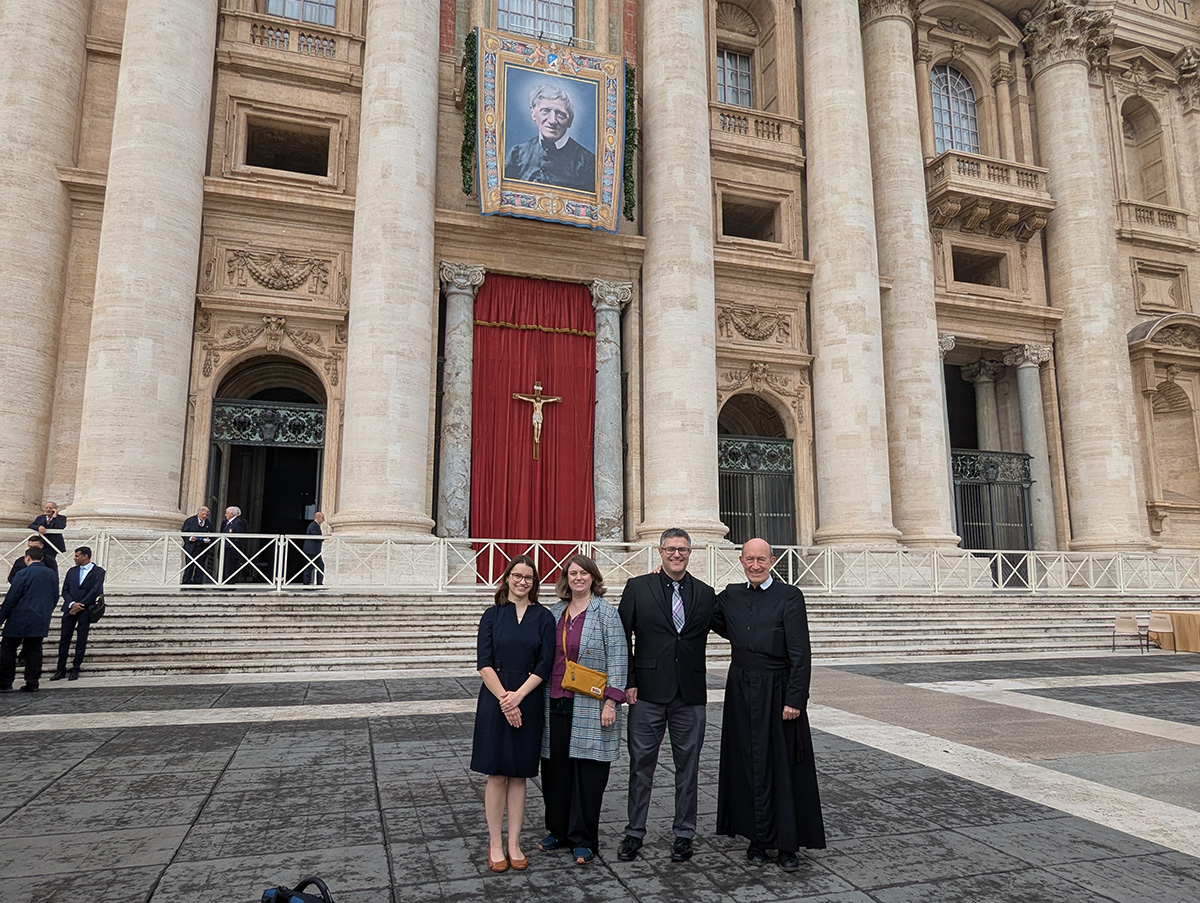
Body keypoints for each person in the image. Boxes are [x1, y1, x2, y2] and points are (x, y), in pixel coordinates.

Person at [713, 538, 826, 871]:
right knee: (747, 762)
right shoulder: (731, 596)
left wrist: (795, 698)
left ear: (772, 561)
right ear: (741, 560)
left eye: (761, 559)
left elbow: (801, 653)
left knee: (783, 765)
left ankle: (788, 844)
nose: (755, 565)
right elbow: (703, 614)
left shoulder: (790, 596)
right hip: (741, 689)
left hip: (779, 692)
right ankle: (757, 838)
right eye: (750, 559)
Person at [617, 528, 717, 863]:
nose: (677, 554)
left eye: (683, 550)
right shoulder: (637, 588)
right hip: (646, 693)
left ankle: (684, 835)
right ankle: (634, 833)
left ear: (691, 553)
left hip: (690, 696)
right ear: (660, 551)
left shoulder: (705, 593)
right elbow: (621, 640)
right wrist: (628, 682)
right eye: (671, 549)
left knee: (688, 769)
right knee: (641, 766)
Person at [539, 554, 627, 865]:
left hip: (591, 704)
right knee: (555, 772)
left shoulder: (605, 613)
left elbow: (618, 657)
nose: (578, 578)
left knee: (588, 775)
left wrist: (612, 702)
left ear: (593, 577)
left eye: (583, 573)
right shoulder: (554, 612)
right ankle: (558, 830)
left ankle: (584, 838)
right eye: (572, 572)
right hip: (556, 702)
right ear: (566, 578)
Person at [470, 555, 555, 873]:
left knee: (519, 775)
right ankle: (495, 842)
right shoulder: (492, 615)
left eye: (529, 578)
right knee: (497, 774)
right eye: (517, 576)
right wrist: (506, 701)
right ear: (506, 579)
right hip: (495, 699)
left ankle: (514, 842)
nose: (522, 582)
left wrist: (518, 697)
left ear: (535, 584)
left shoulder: (543, 616)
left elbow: (545, 663)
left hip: (528, 698)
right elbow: (484, 662)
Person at [504, 84, 596, 193]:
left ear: (570, 120)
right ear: (533, 113)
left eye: (560, 114)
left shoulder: (587, 162)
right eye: (545, 110)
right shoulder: (517, 154)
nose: (552, 121)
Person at [0, 547, 59, 693]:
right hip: (40, 618)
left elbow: (12, 597)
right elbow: (55, 596)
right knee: (34, 650)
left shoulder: (23, 573)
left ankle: (5, 682)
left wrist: (1, 617)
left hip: (19, 617)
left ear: (27, 558)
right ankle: (32, 683)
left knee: (8, 649)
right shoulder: (52, 574)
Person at [49, 546, 105, 682]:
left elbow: (96, 589)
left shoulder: (98, 571)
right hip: (70, 608)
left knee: (81, 639)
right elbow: (65, 590)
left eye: (77, 556)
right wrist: (71, 604)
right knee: (64, 639)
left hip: (86, 609)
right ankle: (60, 669)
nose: (75, 558)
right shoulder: (72, 571)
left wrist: (81, 604)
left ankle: (76, 668)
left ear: (86, 556)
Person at [28, 501, 66, 578]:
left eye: (51, 508)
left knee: (50, 562)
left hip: (53, 545)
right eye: (46, 508)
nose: (48, 509)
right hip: (41, 544)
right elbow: (31, 525)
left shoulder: (61, 518)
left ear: (55, 509)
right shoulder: (40, 518)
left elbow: (60, 526)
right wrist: (38, 527)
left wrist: (55, 517)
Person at [181, 505, 215, 585]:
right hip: (191, 547)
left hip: (203, 548)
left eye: (206, 515)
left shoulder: (209, 524)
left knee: (201, 566)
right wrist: (190, 538)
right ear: (198, 513)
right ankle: (186, 583)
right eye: (203, 514)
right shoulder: (190, 521)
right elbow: (184, 532)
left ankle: (198, 583)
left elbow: (212, 535)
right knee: (189, 565)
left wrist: (209, 540)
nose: (205, 516)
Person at [219, 506, 247, 584]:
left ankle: (229, 583)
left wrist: (232, 545)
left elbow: (238, 536)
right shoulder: (224, 522)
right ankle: (223, 582)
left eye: (227, 513)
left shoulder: (239, 522)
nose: (225, 515)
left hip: (232, 548)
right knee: (224, 565)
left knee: (230, 566)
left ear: (232, 514)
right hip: (225, 547)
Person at [302, 511, 326, 586]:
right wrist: (324, 537)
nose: (323, 520)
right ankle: (306, 584)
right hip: (311, 551)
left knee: (320, 566)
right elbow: (315, 536)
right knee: (309, 567)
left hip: (315, 551)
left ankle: (319, 584)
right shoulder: (313, 525)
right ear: (318, 517)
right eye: (322, 518)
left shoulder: (316, 525)